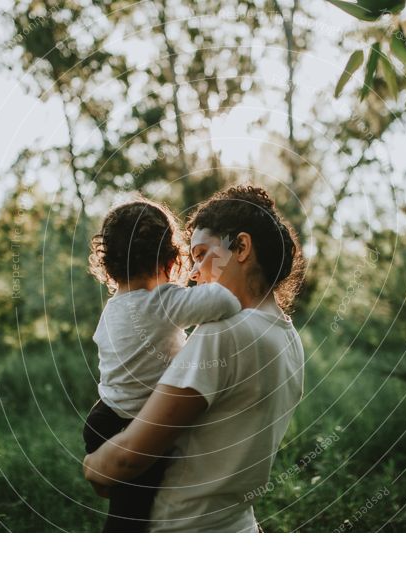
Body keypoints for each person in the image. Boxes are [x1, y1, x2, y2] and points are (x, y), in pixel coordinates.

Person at [83, 184, 306, 532]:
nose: (194, 271)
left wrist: (90, 465)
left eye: (202, 254)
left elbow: (124, 460)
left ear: (242, 247)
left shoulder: (223, 334)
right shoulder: (287, 336)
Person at [84, 198, 242, 532]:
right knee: (132, 522)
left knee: (122, 506)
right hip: (131, 425)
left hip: (103, 417)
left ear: (108, 265)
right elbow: (227, 301)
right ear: (172, 261)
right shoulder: (162, 303)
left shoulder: (113, 308)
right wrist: (221, 264)